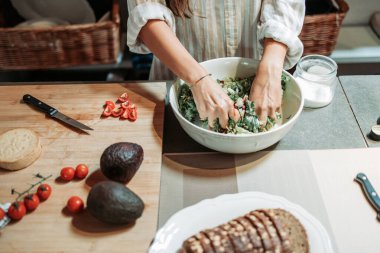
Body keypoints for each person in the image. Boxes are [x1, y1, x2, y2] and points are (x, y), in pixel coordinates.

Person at [127, 0, 305, 129]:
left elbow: (286, 4)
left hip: (254, 74)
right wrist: (198, 79)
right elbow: (145, 12)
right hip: (177, 79)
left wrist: (270, 69)